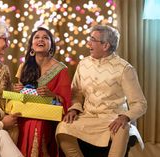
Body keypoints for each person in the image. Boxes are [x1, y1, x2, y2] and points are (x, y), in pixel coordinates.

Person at [56, 25, 147, 157]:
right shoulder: (83, 64)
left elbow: (140, 103)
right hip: (88, 117)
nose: (88, 44)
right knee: (62, 128)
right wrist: (74, 109)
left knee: (123, 130)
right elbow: (77, 94)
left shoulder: (125, 69)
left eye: (93, 40)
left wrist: (125, 117)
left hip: (113, 119)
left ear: (106, 46)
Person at [14, 27, 72, 157]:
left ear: (51, 45)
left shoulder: (60, 69)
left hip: (48, 117)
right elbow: (20, 97)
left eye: (45, 37)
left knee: (37, 123)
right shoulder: (24, 66)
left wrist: (52, 95)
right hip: (25, 112)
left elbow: (66, 102)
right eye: (37, 37)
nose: (41, 39)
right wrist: (17, 90)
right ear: (31, 45)